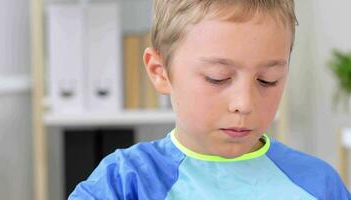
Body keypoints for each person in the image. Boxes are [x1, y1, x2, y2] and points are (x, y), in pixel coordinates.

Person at [69, 0, 351, 199]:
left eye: (268, 79)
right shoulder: (124, 182)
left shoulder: (319, 184)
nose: (244, 103)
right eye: (218, 77)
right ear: (160, 71)